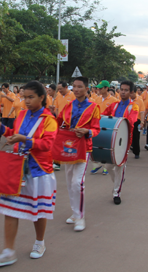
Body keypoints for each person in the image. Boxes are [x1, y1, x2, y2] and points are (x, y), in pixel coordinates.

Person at [0, 81, 58, 266]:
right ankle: (8, 251)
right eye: (24, 97)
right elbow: (14, 133)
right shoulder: (21, 114)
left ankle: (39, 243)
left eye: (30, 97)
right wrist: (1, 127)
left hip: (39, 170)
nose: (26, 101)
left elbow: (47, 145)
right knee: (10, 208)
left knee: (39, 211)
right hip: (17, 168)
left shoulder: (49, 120)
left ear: (42, 98)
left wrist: (25, 140)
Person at [55, 77, 100, 231]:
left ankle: (80, 217)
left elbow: (96, 129)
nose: (76, 89)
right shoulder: (68, 106)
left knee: (77, 182)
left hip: (83, 147)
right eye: (74, 86)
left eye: (80, 87)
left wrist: (87, 131)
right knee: (69, 182)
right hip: (68, 146)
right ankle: (75, 213)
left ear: (87, 89)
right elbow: (57, 122)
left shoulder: (94, 107)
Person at [101, 81, 139, 205]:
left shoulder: (134, 107)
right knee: (107, 166)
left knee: (119, 166)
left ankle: (116, 193)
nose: (123, 92)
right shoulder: (114, 105)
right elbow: (103, 115)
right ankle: (120, 179)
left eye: (126, 90)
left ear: (131, 92)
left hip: (124, 140)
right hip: (111, 140)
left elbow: (130, 121)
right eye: (121, 89)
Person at [90, 80, 115, 175]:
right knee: (96, 144)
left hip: (107, 126)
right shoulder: (96, 99)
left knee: (105, 145)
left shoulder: (113, 100)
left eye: (100, 88)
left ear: (106, 88)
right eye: (98, 88)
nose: (98, 90)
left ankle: (105, 166)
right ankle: (97, 164)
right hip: (96, 125)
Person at [130, 89, 145, 159]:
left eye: (132, 93)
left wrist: (142, 122)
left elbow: (142, 112)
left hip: (136, 121)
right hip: (127, 120)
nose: (130, 95)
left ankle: (136, 152)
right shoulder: (127, 100)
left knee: (136, 137)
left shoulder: (140, 100)